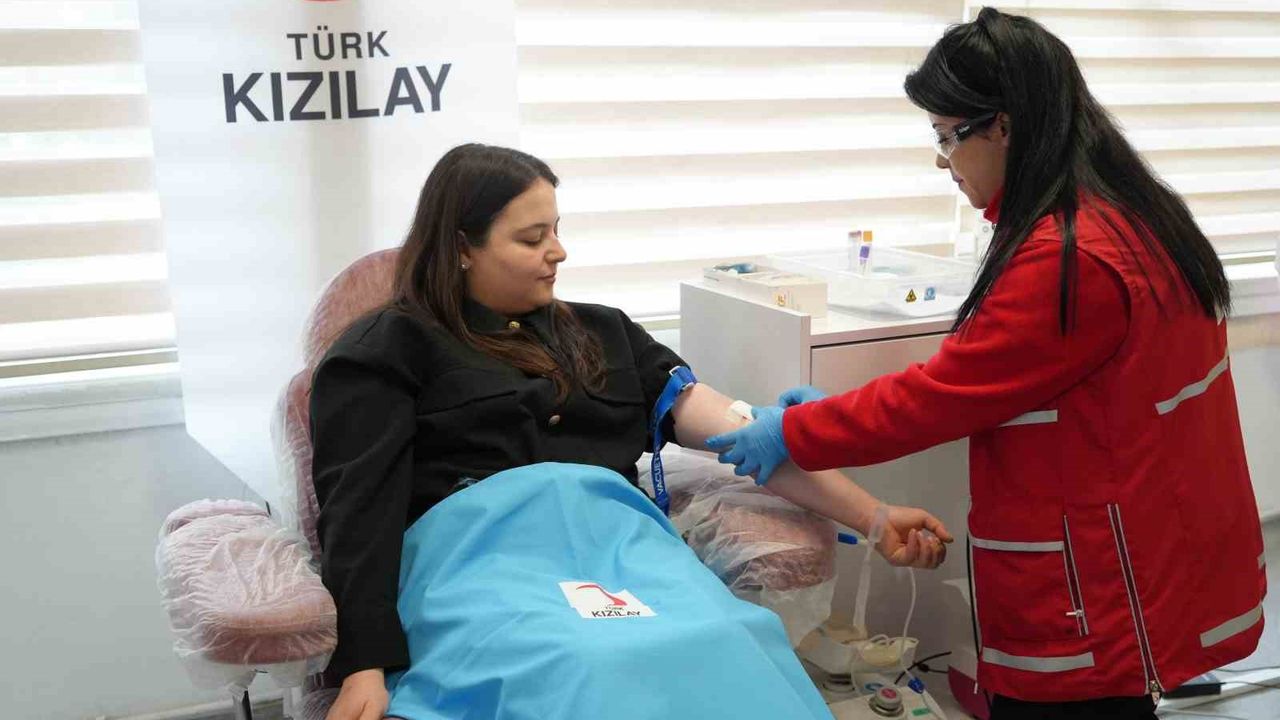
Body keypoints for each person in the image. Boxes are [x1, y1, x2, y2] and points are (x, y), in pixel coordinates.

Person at [707, 8, 1266, 720]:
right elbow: (999, 372)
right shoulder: (1130, 213)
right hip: (1152, 529)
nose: (943, 161)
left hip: (1100, 569)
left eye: (947, 135)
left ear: (1001, 126)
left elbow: (943, 395)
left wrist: (795, 431)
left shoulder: (1071, 258)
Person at [309, 143, 954, 720]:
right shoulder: (384, 351)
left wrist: (875, 516)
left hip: (625, 557)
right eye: (531, 238)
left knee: (727, 639)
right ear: (460, 247)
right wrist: (364, 665)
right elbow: (358, 514)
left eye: (556, 230)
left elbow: (744, 437)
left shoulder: (603, 331)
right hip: (480, 568)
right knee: (586, 664)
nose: (558, 251)